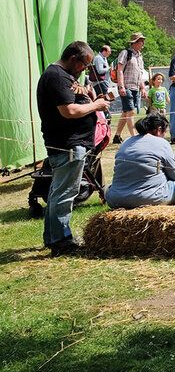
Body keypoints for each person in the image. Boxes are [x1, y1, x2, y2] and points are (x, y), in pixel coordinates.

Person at [37, 41, 110, 255]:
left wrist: (89, 97)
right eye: (84, 65)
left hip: (69, 143)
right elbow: (68, 111)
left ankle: (53, 238)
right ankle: (61, 241)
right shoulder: (57, 76)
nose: (84, 69)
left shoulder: (62, 76)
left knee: (58, 192)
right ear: (73, 59)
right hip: (67, 144)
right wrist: (96, 105)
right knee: (65, 194)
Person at [106, 114, 175, 209]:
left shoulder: (126, 141)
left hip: (116, 199)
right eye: (165, 132)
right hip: (150, 199)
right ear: (159, 129)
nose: (164, 135)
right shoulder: (162, 143)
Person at [113, 32, 146, 144]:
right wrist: (121, 86)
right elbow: (119, 70)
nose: (143, 43)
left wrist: (143, 88)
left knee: (126, 112)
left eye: (143, 41)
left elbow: (140, 74)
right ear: (134, 42)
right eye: (141, 41)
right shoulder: (125, 53)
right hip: (126, 86)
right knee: (131, 112)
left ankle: (117, 136)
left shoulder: (140, 56)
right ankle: (134, 137)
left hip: (135, 88)